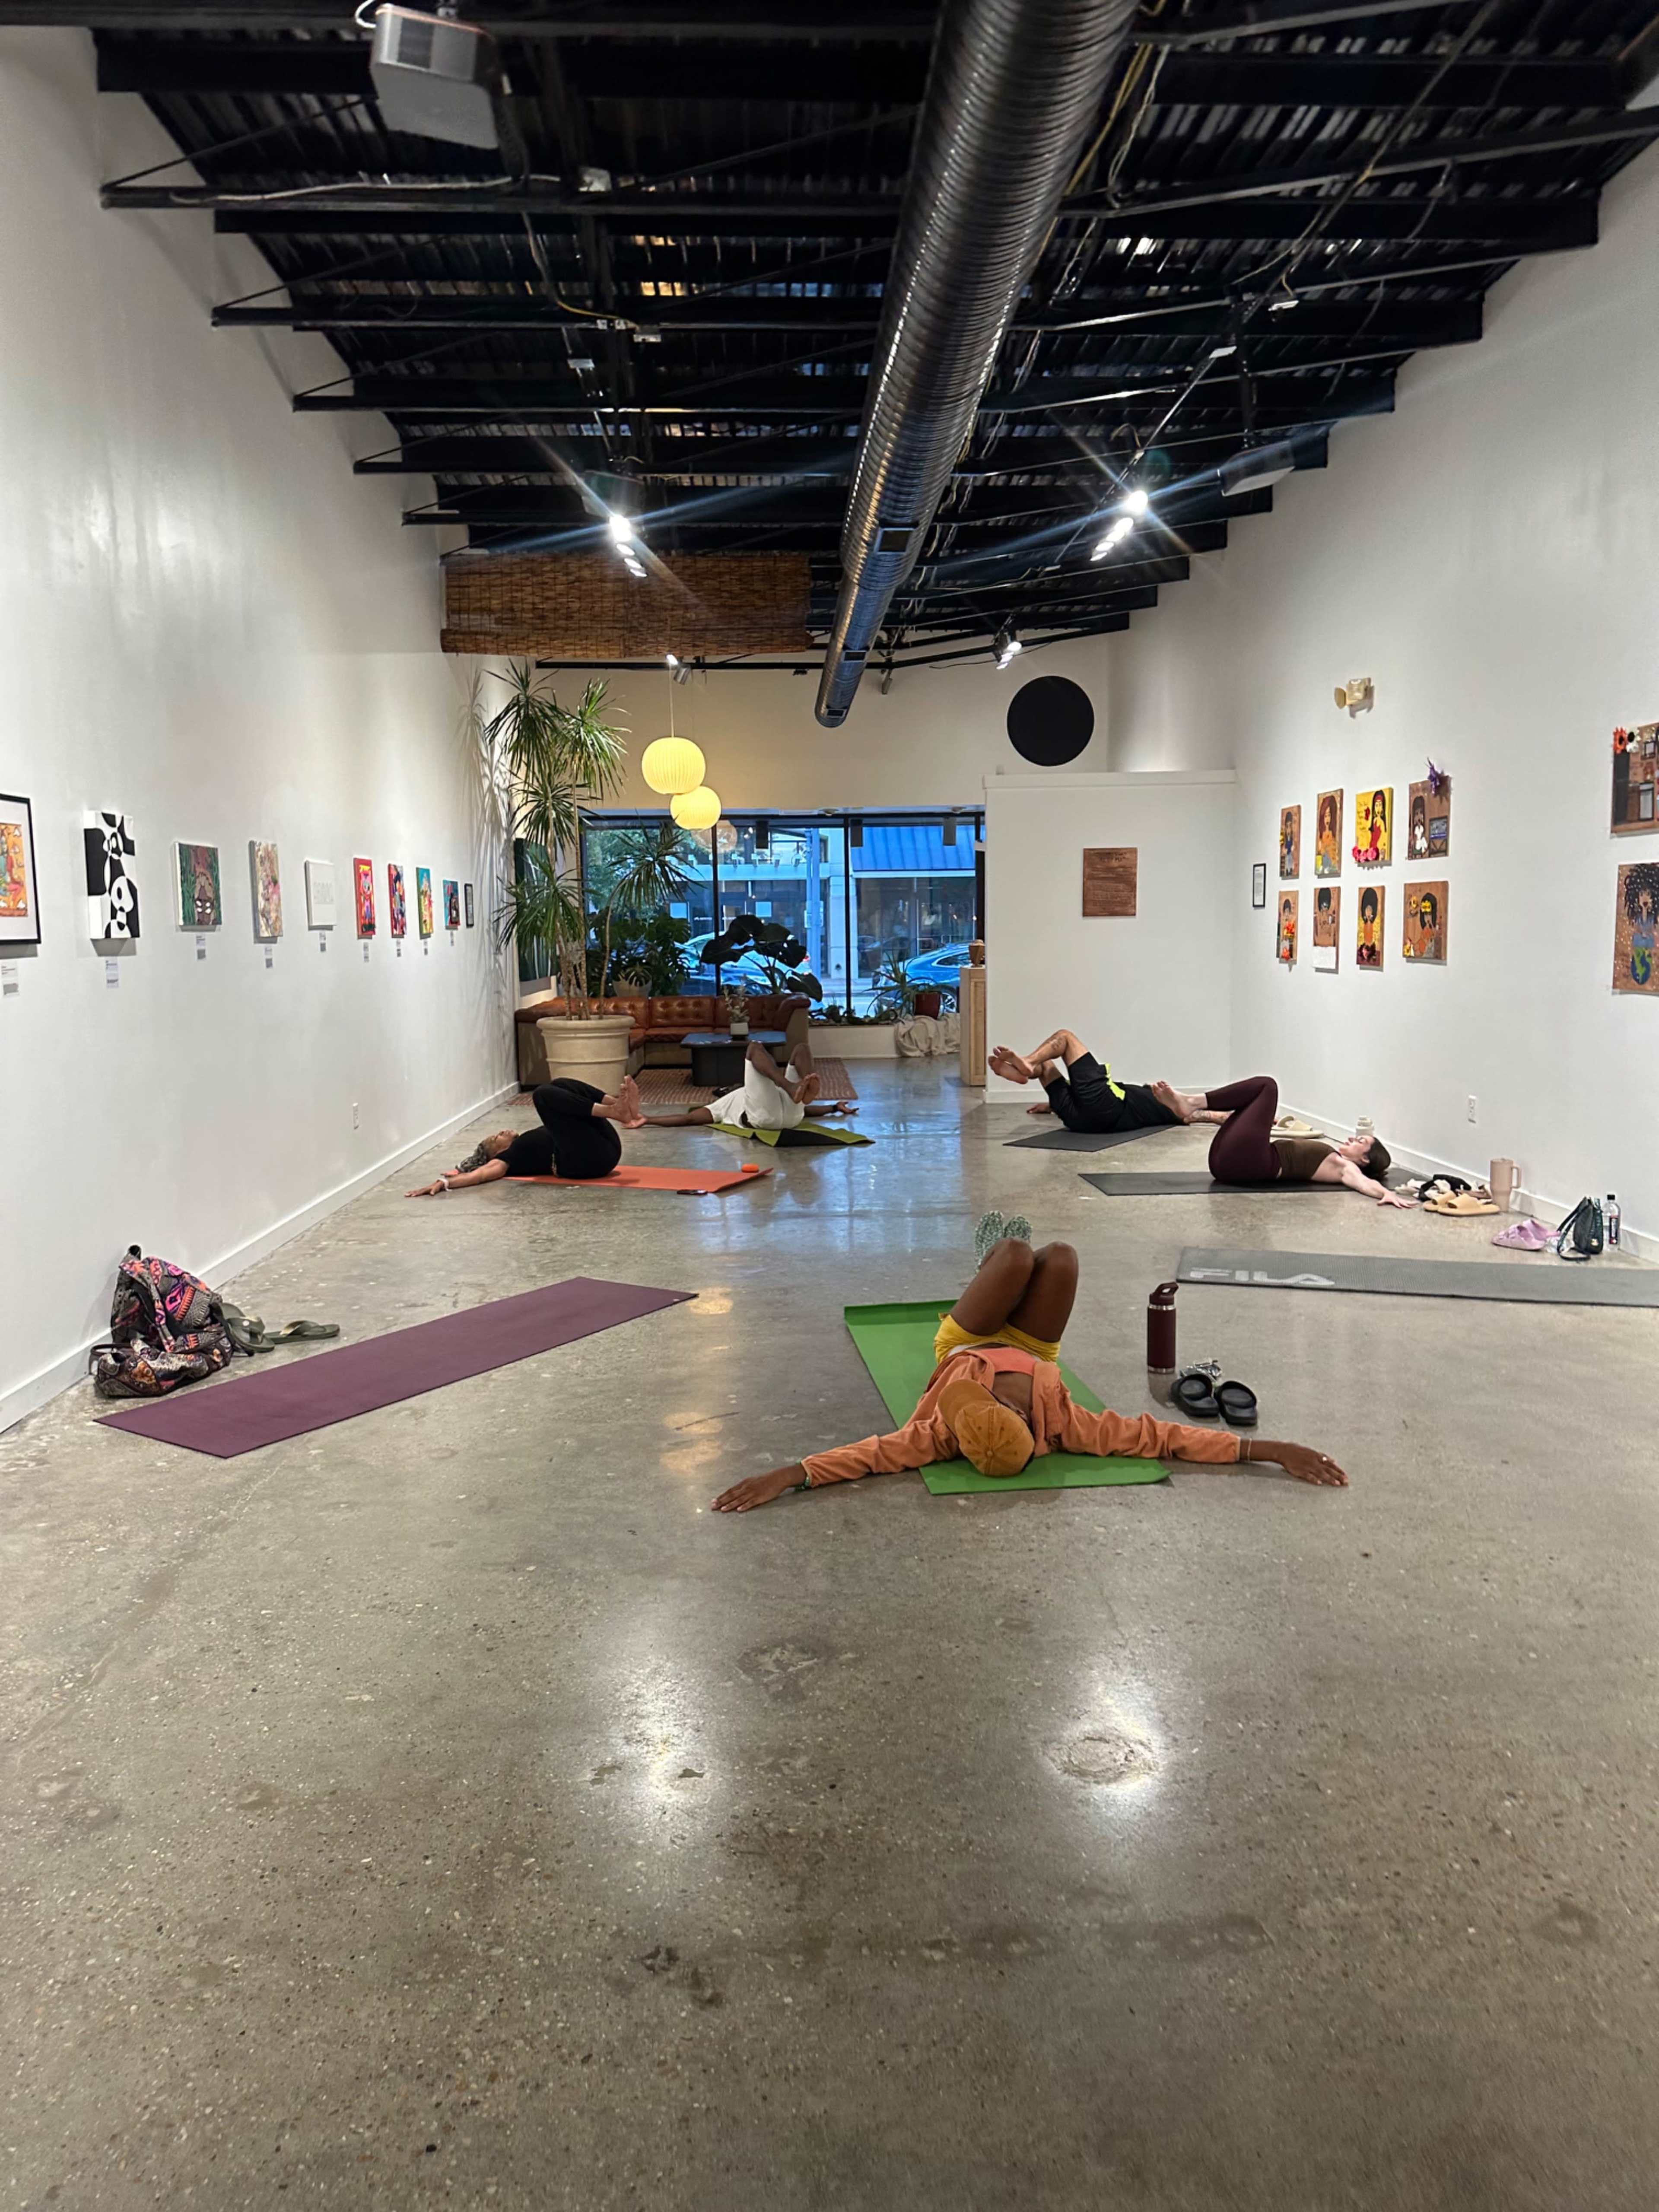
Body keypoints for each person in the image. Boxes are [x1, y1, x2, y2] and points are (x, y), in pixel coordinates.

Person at [712, 1234, 1348, 1510]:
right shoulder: (1065, 1423)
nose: (1004, 1407)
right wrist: (1267, 1450)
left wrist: (789, 1474)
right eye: (1010, 1413)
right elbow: (1163, 1438)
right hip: (1034, 1349)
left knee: (1018, 1255)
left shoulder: (934, 1432)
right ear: (1023, 1420)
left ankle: (991, 1263)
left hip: (967, 1340)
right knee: (1063, 1259)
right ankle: (1004, 1268)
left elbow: (869, 1456)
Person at [1148, 1072, 1410, 1205]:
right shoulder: (1336, 1156)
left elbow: (1362, 1183)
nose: (1353, 1139)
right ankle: (1193, 1107)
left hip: (1251, 1164)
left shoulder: (1346, 1167)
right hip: (1229, 1165)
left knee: (1268, 1087)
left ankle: (1191, 1103)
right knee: (1250, 1101)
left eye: (1360, 1143)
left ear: (1365, 1159)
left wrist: (1385, 1193)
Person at [406, 1077, 644, 1195]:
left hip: (604, 1149)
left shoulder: (524, 1141)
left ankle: (620, 1107)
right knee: (542, 1095)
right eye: (495, 1139)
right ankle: (614, 1111)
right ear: (495, 1154)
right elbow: (480, 1176)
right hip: (586, 1164)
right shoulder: (506, 1160)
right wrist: (444, 1183)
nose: (500, 1133)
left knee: (558, 1084)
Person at [989, 1030, 1206, 1130]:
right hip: (1077, 1119)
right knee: (1047, 1066)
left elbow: (1203, 1114)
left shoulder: (1181, 1106)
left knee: (1065, 1038)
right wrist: (1052, 1106)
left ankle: (1027, 1064)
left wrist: (1226, 1116)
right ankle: (1026, 1072)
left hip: (1108, 1108)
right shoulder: (1177, 1102)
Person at [642, 1035, 856, 1132]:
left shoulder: (760, 1095)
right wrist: (648, 1120)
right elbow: (688, 1118)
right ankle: (793, 1085)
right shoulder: (723, 1104)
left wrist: (834, 1108)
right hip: (771, 1118)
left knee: (801, 1048)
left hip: (789, 1115)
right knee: (754, 1047)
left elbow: (806, 1110)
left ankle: (805, 1083)